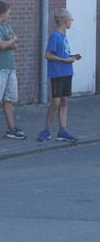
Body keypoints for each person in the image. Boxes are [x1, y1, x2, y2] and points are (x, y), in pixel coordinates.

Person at [38, 8, 82, 142]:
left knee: (64, 101)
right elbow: (48, 55)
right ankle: (46, 130)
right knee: (55, 102)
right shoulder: (55, 36)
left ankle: (63, 130)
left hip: (67, 72)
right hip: (57, 74)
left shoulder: (64, 36)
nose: (72, 22)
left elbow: (62, 54)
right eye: (71, 19)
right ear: (64, 21)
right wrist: (65, 60)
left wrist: (72, 57)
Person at [0, 0, 27, 139]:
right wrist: (11, 40)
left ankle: (11, 128)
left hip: (10, 67)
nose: (9, 16)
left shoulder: (7, 26)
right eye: (8, 14)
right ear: (2, 14)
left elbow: (13, 45)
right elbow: (4, 45)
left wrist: (5, 43)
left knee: (9, 98)